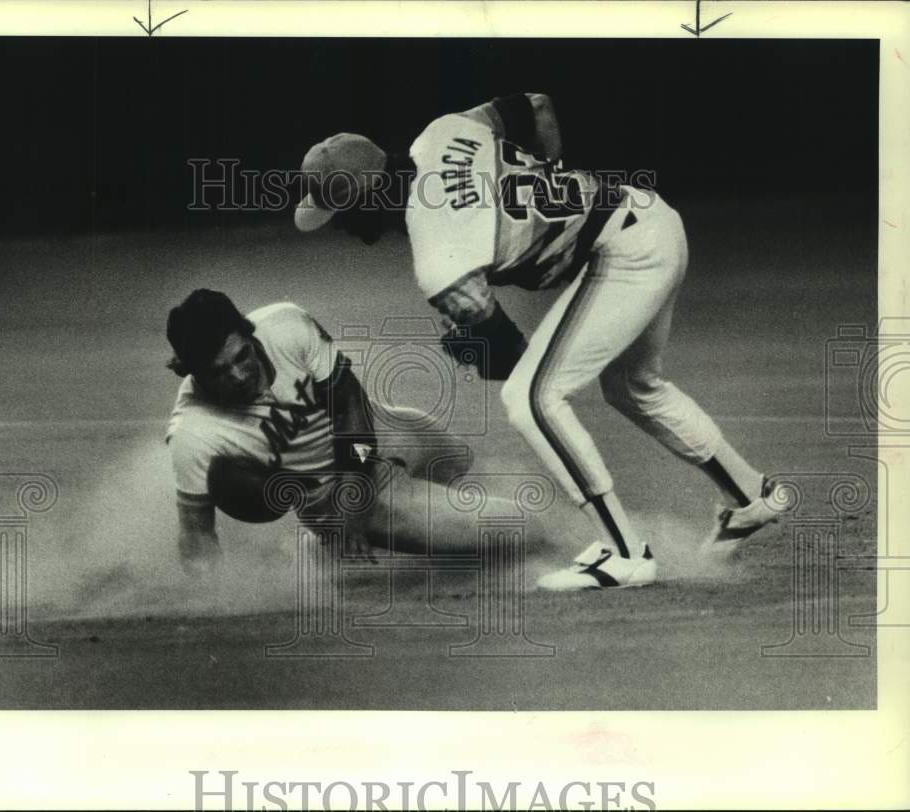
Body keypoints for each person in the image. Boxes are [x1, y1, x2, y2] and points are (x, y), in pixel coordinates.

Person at [293, 93, 782, 591]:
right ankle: (749, 497)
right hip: (649, 216)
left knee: (530, 398)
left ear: (371, 192)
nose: (345, 228)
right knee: (634, 386)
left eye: (343, 212)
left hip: (626, 253)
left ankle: (624, 553)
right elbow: (537, 106)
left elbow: (512, 357)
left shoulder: (439, 258)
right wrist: (552, 174)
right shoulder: (441, 132)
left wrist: (477, 350)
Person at [165, 288, 527, 576]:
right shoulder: (193, 433)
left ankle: (322, 551)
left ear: (248, 331)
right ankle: (330, 540)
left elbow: (350, 402)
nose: (239, 375)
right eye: (218, 372)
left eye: (241, 357)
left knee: (464, 465)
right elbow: (197, 536)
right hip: (329, 495)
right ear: (189, 371)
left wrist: (357, 489)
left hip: (378, 431)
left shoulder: (286, 325)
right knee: (516, 530)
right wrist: (210, 597)